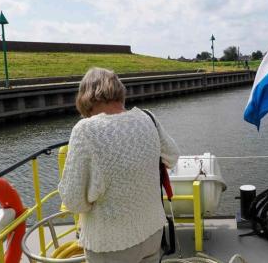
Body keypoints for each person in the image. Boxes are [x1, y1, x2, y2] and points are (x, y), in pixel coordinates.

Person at [59, 67, 180, 263]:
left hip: (111, 245)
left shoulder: (85, 130)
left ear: (85, 97)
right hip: (152, 232)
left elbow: (73, 201)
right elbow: (172, 156)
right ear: (119, 91)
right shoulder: (148, 118)